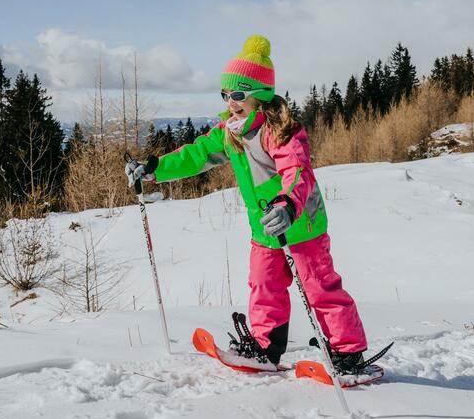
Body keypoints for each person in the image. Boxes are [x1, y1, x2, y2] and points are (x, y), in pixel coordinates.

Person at [125, 35, 369, 372]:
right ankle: (266, 348)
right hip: (264, 228)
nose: (231, 102)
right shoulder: (230, 132)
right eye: (225, 94)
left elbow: (297, 172)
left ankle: (349, 352)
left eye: (239, 95)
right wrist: (154, 170)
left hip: (300, 223)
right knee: (263, 284)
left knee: (319, 287)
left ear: (260, 96)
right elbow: (196, 155)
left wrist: (287, 205)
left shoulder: (281, 131)